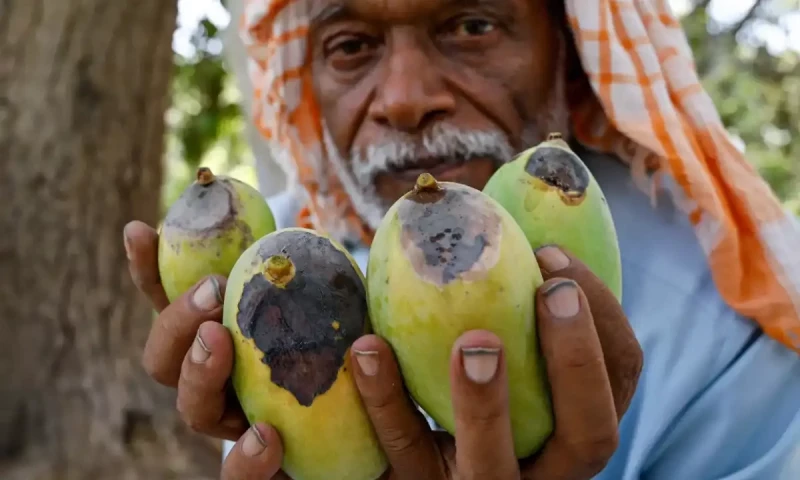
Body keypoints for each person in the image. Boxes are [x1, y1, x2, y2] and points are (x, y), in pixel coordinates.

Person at [124, 0, 800, 478]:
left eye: (471, 25)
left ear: (565, 47)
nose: (405, 98)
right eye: (352, 44)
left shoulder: (729, 307)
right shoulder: (273, 262)